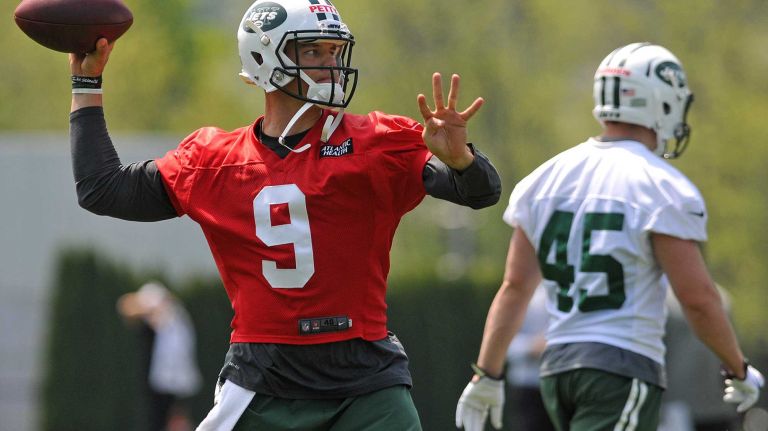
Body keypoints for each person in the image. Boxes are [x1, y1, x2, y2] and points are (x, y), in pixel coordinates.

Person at [68, 0, 501, 429]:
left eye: (334, 51)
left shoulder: (375, 141)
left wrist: (462, 160)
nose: (330, 65)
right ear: (263, 58)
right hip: (265, 379)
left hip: (367, 379)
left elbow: (482, 192)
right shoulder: (213, 161)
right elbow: (103, 190)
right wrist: (86, 82)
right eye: (313, 51)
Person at [455, 42, 764, 431]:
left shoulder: (544, 178)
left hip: (557, 369)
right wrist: (738, 368)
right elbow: (698, 298)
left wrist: (487, 372)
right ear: (662, 102)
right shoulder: (662, 186)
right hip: (620, 367)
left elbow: (515, 287)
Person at [117, 281, 202, 431]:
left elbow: (131, 308)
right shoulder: (170, 316)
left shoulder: (156, 301)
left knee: (172, 416)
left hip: (172, 375)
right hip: (167, 376)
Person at [503, 287, 555, 431]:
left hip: (563, 386)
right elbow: (504, 345)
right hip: (528, 387)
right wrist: (532, 347)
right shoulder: (522, 294)